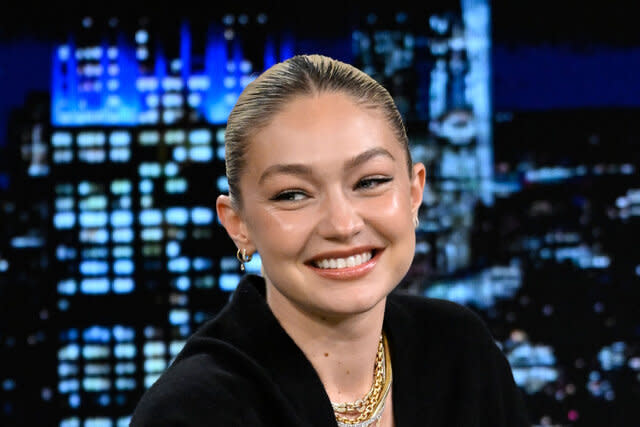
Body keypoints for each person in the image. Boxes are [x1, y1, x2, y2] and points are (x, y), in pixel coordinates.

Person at [130, 54, 530, 427]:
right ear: (239, 224)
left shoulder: (460, 351)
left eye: (370, 182)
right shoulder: (193, 411)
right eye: (293, 194)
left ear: (413, 194)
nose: (342, 224)